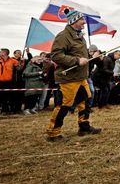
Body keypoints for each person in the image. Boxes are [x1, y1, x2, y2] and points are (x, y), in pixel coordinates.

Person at [46, 10, 101, 142]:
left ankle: (84, 127)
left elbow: (81, 56)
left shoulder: (80, 36)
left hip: (81, 77)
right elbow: (56, 55)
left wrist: (90, 57)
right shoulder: (63, 36)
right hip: (68, 78)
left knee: (85, 101)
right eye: (82, 20)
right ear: (74, 21)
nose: (84, 22)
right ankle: (53, 133)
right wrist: (76, 61)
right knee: (64, 105)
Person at [0, 48, 21, 114]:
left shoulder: (13, 61)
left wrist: (22, 63)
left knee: (7, 97)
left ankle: (5, 110)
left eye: (0, 52)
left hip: (9, 82)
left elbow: (19, 68)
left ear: (5, 53)